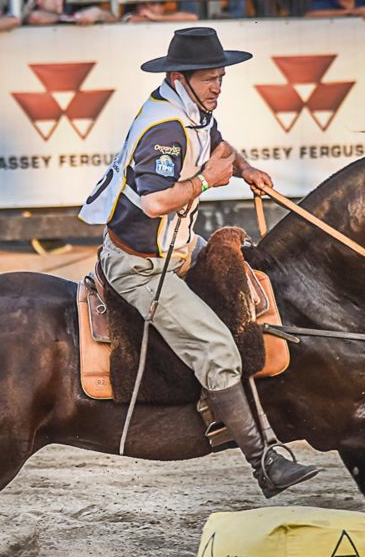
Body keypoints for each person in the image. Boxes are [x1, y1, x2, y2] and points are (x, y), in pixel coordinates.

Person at [79, 28, 320, 498]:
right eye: (210, 79)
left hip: (179, 248)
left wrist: (245, 168)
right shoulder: (165, 128)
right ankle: (264, 462)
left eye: (220, 78)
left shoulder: (194, 110)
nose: (218, 87)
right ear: (179, 77)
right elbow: (152, 203)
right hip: (142, 265)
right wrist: (208, 183)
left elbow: (218, 143)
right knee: (217, 348)